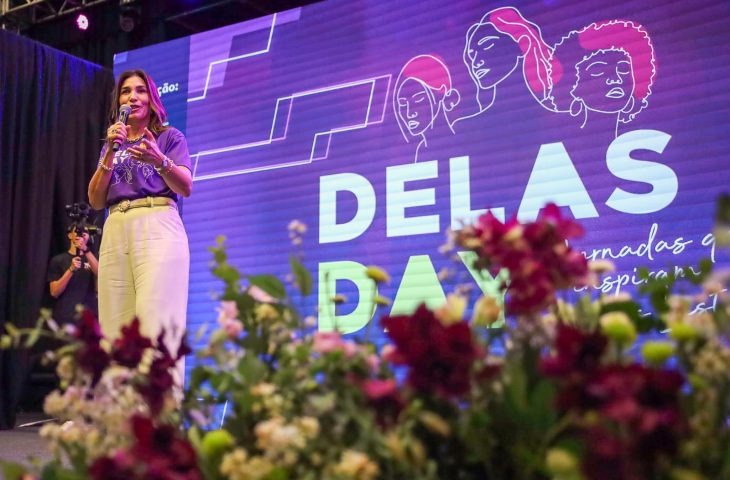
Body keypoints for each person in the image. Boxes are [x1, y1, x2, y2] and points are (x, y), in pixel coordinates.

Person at [88, 69, 193, 371]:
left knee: (156, 329)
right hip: (116, 226)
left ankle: (161, 401)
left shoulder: (169, 137)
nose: (132, 97)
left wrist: (159, 159)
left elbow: (185, 186)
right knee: (115, 333)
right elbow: (95, 200)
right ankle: (120, 402)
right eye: (125, 91)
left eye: (140, 90)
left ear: (152, 99)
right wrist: (110, 152)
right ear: (118, 102)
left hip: (156, 221)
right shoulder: (111, 145)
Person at [545, 20, 656, 137]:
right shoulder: (557, 138)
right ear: (573, 86)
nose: (616, 79)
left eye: (623, 69)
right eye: (598, 70)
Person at [393, 54, 460, 163]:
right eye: (403, 103)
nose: (409, 113)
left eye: (418, 99)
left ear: (441, 95)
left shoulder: (458, 146)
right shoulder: (422, 151)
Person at [47, 226, 99, 325]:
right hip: (65, 316)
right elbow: (54, 292)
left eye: (85, 232)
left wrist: (85, 249)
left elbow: (100, 274)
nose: (81, 234)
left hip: (89, 317)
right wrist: (71, 269)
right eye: (77, 231)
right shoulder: (58, 260)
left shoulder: (93, 258)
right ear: (70, 235)